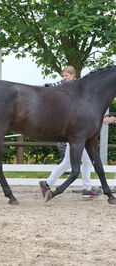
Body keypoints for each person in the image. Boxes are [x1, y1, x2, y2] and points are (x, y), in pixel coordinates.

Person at [39, 66, 116, 197]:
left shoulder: (79, 89)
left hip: (79, 133)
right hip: (74, 134)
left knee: (79, 161)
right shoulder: (62, 87)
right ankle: (49, 183)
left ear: (74, 76)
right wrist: (105, 120)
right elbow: (84, 118)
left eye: (67, 76)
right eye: (63, 76)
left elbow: (86, 115)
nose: (64, 78)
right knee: (72, 161)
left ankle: (84, 187)